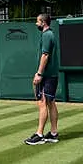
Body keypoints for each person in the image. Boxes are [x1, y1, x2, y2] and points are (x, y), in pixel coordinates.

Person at [24, 13, 59, 145]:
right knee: (51, 102)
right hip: (52, 74)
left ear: (43, 22)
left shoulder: (46, 35)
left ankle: (39, 134)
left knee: (43, 102)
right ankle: (53, 133)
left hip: (46, 75)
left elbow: (45, 55)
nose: (36, 23)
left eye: (37, 21)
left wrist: (39, 73)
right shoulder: (51, 34)